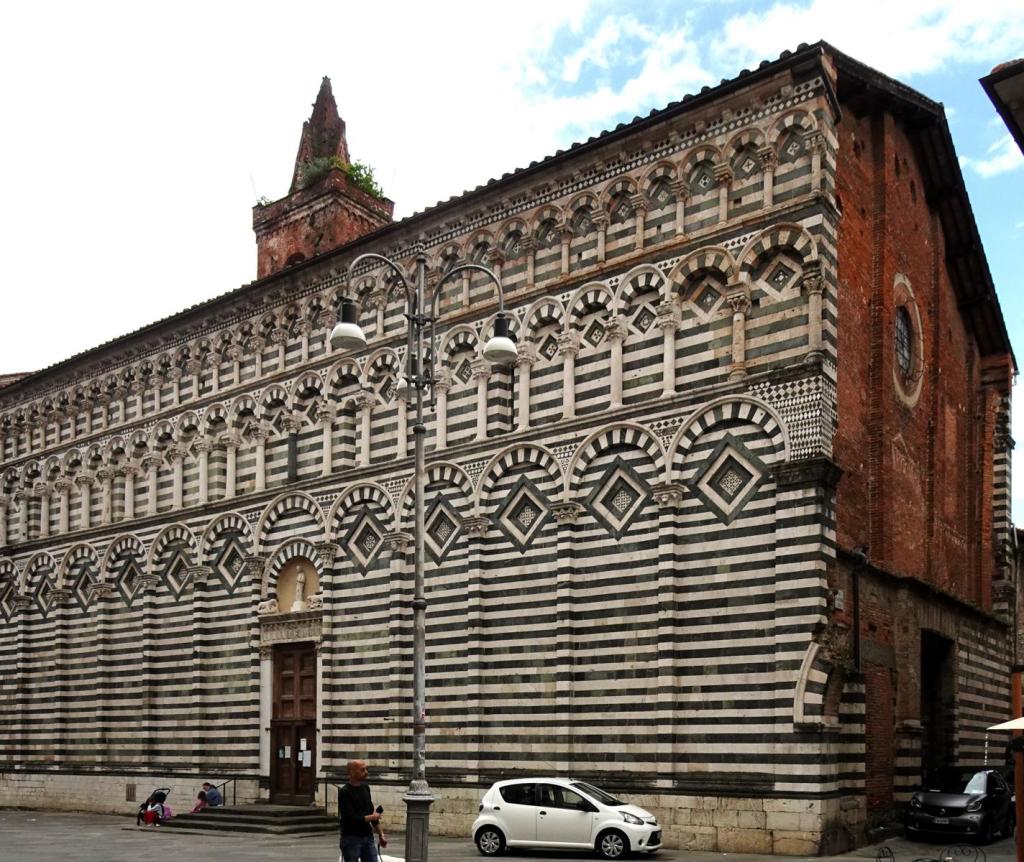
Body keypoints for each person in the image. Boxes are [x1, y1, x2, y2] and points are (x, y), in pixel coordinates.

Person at [338, 759, 387, 862]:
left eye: (366, 769)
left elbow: (371, 811)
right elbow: (351, 819)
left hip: (367, 836)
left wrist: (381, 834)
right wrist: (372, 817)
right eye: (362, 770)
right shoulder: (345, 792)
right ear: (351, 772)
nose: (366, 772)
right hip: (351, 837)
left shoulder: (365, 787)